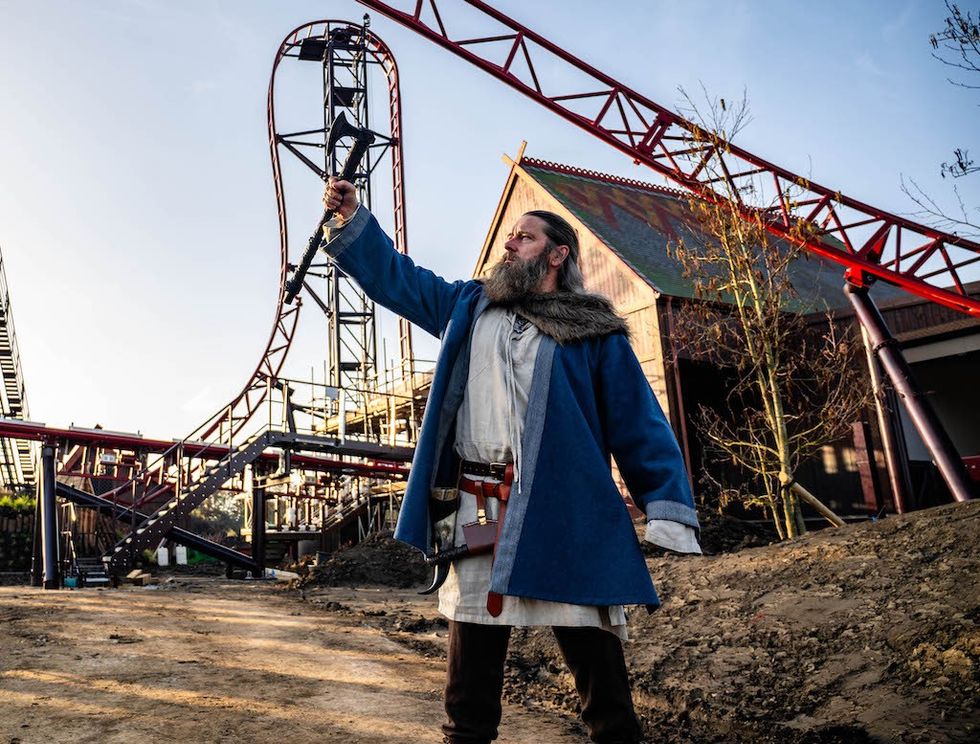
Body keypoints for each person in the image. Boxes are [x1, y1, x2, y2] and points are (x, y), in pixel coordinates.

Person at [321, 178, 701, 744]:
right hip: (479, 503)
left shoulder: (593, 330)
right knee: (472, 655)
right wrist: (353, 219)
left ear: (556, 253)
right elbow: (398, 280)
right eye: (510, 237)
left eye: (523, 238)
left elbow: (638, 420)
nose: (509, 245)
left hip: (564, 508)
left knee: (595, 659)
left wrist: (665, 503)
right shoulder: (468, 307)